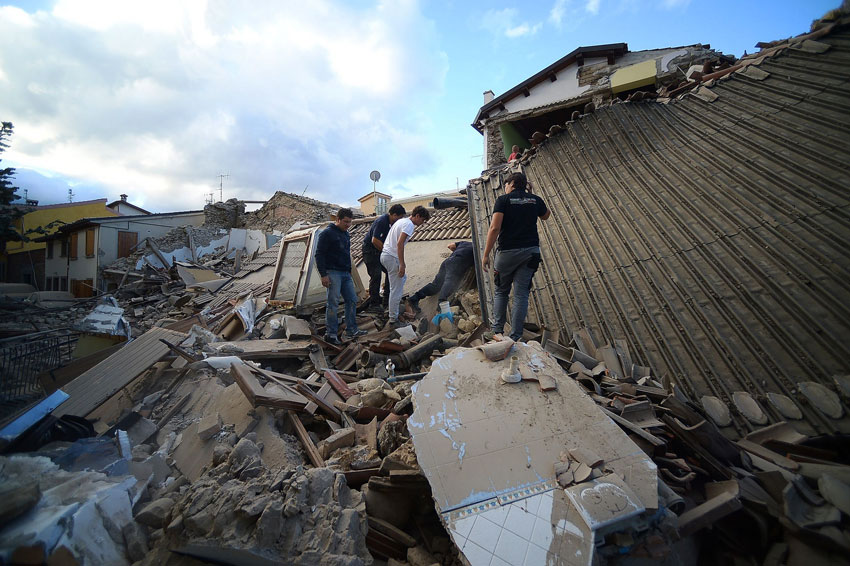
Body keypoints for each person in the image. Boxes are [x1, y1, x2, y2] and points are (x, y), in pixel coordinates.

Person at [481, 172, 550, 342]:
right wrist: (531, 194)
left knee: (501, 291)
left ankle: (497, 331)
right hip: (530, 253)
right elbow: (546, 215)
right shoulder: (535, 200)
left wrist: (486, 255)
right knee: (521, 295)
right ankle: (516, 337)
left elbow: (494, 228)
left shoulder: (503, 201)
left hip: (507, 253)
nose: (505, 187)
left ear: (512, 183)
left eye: (506, 184)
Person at [314, 208, 367, 345]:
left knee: (352, 300)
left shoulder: (346, 234)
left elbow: (346, 254)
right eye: (345, 222)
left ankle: (352, 329)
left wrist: (349, 270)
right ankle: (331, 334)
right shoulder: (327, 233)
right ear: (337, 219)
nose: (348, 225)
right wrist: (323, 275)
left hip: (345, 273)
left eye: (350, 222)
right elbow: (319, 255)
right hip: (332, 273)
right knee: (333, 303)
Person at [380, 205, 431, 327]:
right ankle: (393, 319)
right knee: (396, 289)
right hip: (392, 257)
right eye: (422, 220)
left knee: (400, 281)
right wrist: (402, 264)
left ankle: (393, 312)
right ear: (417, 216)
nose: (422, 223)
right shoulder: (408, 225)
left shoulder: (401, 221)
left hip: (385, 255)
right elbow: (400, 243)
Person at [407, 241, 474, 314]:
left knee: (435, 286)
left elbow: (450, 246)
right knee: (449, 282)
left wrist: (457, 253)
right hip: (457, 264)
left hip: (447, 261)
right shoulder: (477, 250)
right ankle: (440, 307)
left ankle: (414, 298)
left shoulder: (465, 243)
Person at [362, 204, 405, 312]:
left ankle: (387, 300)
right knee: (376, 275)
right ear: (394, 215)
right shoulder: (382, 221)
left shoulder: (392, 224)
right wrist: (388, 252)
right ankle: (374, 304)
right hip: (370, 252)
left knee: (392, 271)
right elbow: (375, 241)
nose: (399, 221)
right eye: (399, 218)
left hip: (380, 252)